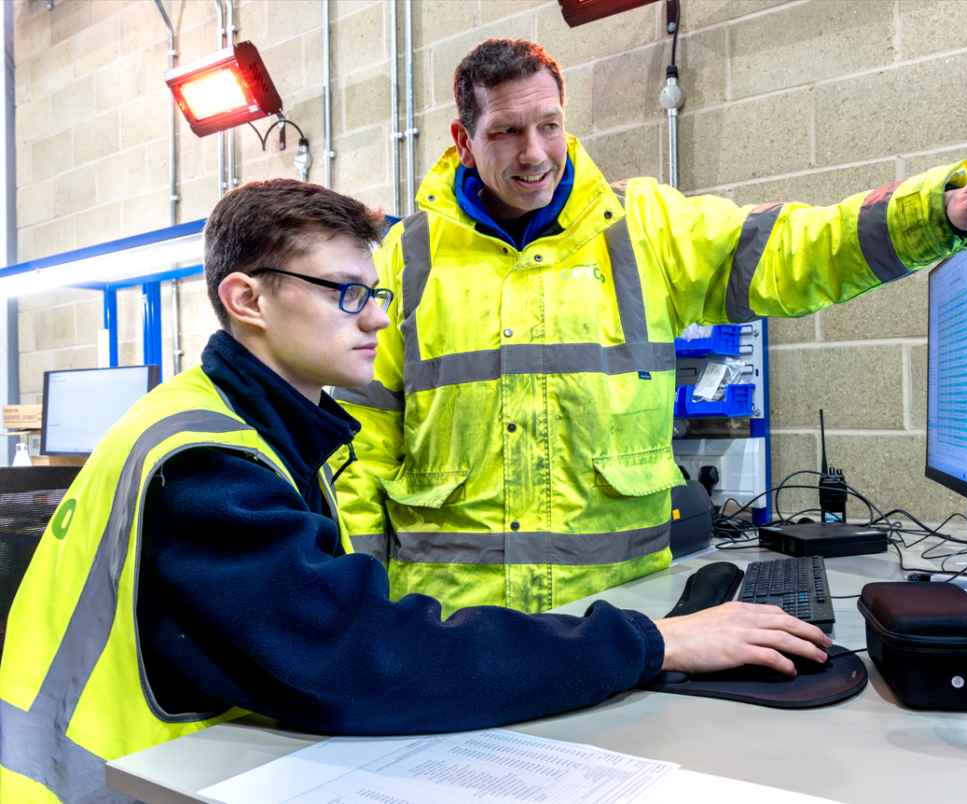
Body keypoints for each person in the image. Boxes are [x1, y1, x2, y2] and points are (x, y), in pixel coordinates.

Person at [0, 179, 833, 804]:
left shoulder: (250, 427)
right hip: (94, 787)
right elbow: (364, 659)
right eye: (347, 294)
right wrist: (656, 644)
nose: (376, 321)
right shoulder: (204, 463)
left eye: (379, 294)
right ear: (246, 298)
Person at [334, 39, 967, 614]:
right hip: (455, 622)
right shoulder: (408, 255)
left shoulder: (642, 227)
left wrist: (935, 215)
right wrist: (356, 609)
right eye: (506, 131)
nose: (535, 153)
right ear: (463, 139)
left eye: (549, 124)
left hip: (618, 612)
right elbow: (361, 444)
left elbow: (797, 246)